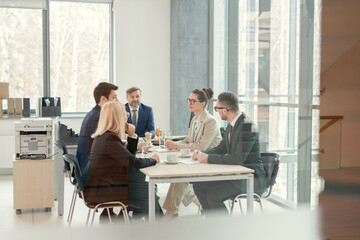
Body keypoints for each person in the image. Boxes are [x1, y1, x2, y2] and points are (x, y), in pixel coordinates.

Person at [192, 91, 267, 215]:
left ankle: (226, 229)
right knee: (199, 185)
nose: (217, 111)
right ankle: (214, 223)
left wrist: (208, 158)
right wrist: (201, 153)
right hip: (237, 175)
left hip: (251, 179)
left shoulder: (247, 126)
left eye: (217, 108)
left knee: (213, 195)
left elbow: (237, 159)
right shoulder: (232, 125)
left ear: (225, 110)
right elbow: (222, 148)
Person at [84, 101, 161, 220]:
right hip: (104, 190)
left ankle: (132, 222)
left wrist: (132, 135)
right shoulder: (109, 139)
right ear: (118, 117)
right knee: (147, 190)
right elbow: (134, 162)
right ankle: (158, 228)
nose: (127, 117)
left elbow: (128, 159)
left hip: (103, 185)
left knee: (140, 180)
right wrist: (153, 160)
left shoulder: (105, 136)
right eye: (125, 115)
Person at [163, 88, 222, 219]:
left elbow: (201, 146)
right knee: (178, 176)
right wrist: (172, 144)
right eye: (189, 100)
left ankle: (170, 213)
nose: (189, 103)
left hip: (209, 162)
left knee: (180, 177)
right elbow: (189, 140)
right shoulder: (194, 120)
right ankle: (200, 204)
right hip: (196, 160)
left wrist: (177, 145)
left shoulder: (210, 121)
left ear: (203, 103)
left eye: (193, 101)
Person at [76, 82, 118, 174]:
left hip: (89, 166)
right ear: (103, 99)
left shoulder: (95, 113)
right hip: (91, 172)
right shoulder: (97, 117)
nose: (117, 101)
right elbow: (108, 146)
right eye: (114, 97)